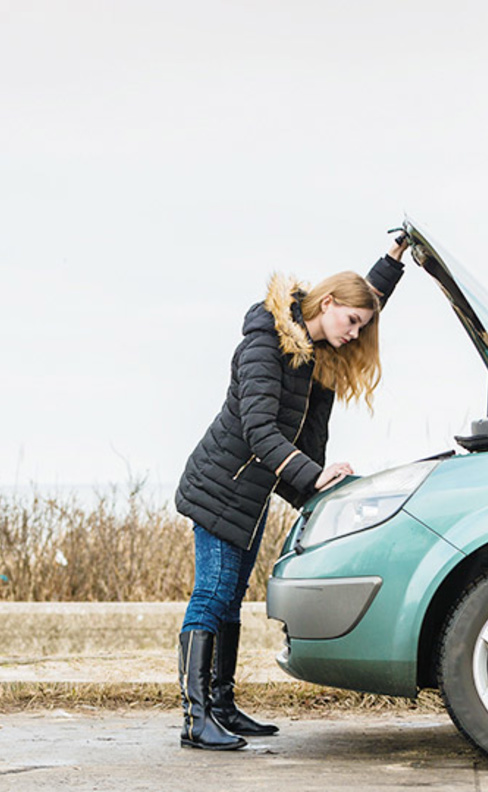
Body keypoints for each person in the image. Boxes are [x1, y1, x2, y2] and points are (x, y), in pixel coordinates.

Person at [174, 232, 410, 751]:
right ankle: (195, 720)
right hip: (222, 486)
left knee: (230, 600)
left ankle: (221, 706)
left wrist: (392, 263)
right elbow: (259, 431)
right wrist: (312, 476)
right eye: (351, 323)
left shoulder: (320, 341)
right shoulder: (264, 345)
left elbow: (364, 298)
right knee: (211, 595)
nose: (355, 335)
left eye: (362, 326)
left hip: (252, 491)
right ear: (327, 304)